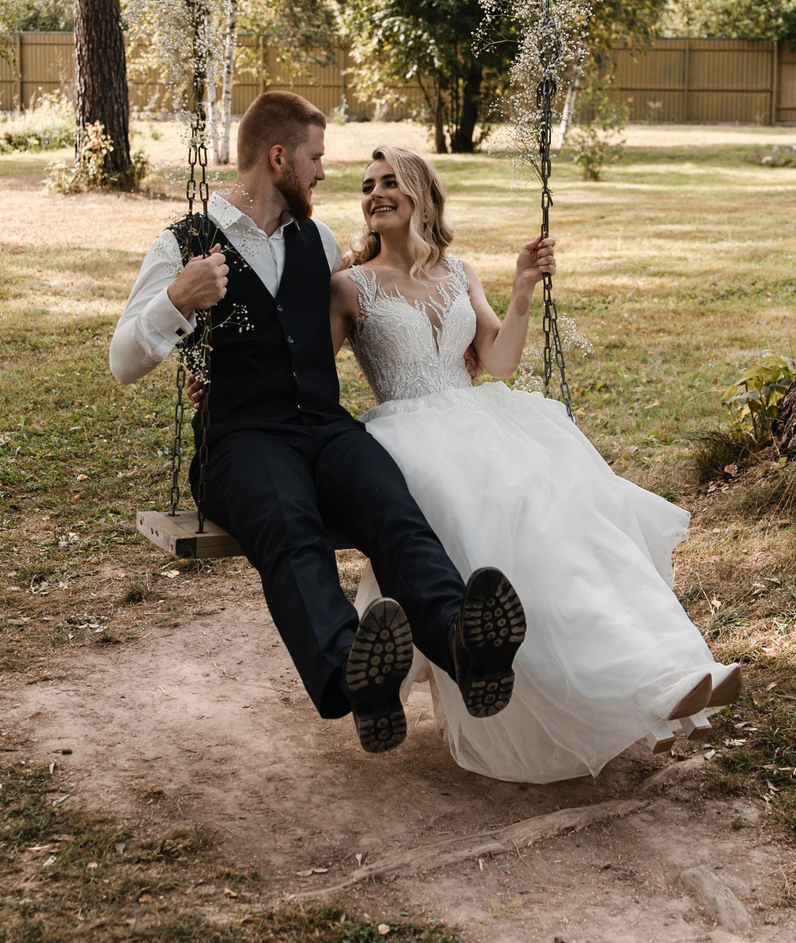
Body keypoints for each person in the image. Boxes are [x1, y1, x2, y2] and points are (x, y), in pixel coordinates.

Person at [110, 91, 529, 753]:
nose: (323, 174)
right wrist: (174, 302)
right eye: (314, 158)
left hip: (323, 429)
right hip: (241, 441)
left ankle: (461, 640)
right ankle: (352, 674)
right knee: (290, 525)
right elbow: (121, 361)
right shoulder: (185, 244)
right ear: (278, 158)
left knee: (392, 508)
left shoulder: (320, 241)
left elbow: (350, 311)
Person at [331, 145, 741, 783]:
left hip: (483, 420)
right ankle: (643, 687)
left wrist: (522, 290)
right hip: (409, 437)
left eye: (390, 182)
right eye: (367, 185)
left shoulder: (459, 272)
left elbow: (496, 363)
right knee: (514, 522)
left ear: (421, 195)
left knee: (573, 516)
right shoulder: (349, 286)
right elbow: (306, 376)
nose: (375, 194)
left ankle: (670, 675)